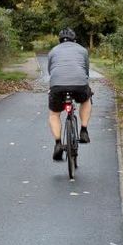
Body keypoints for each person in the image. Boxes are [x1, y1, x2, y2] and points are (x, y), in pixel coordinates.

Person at [43, 28, 93, 161]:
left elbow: (50, 71)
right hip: (79, 83)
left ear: (60, 40)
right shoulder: (82, 50)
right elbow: (86, 70)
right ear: (74, 39)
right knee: (86, 99)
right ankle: (83, 130)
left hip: (57, 85)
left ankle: (58, 144)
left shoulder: (53, 51)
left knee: (54, 114)